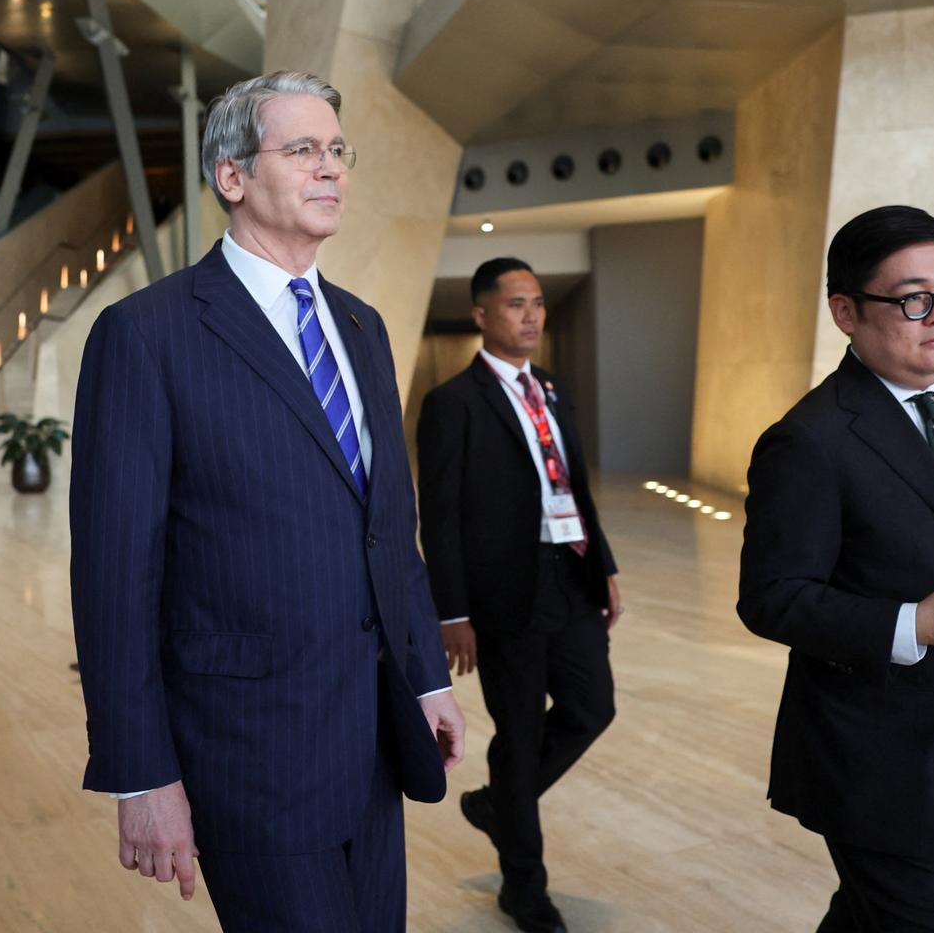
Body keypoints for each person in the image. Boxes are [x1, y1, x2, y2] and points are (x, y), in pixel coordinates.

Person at [69, 71, 466, 933]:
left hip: (371, 737)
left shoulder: (361, 326)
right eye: (303, 150)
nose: (331, 168)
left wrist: (427, 676)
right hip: (246, 751)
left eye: (338, 151)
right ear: (233, 175)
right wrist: (141, 774)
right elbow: (113, 578)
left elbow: (387, 526)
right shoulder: (146, 333)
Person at [738, 205, 934, 931]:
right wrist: (915, 625)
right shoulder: (809, 441)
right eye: (912, 299)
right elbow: (772, 596)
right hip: (886, 763)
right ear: (845, 312)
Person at [416, 258, 621, 933]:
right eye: (515, 304)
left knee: (592, 707)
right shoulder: (453, 403)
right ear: (482, 314)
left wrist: (604, 567)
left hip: (570, 574)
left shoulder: (552, 388)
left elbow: (576, 487)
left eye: (537, 303)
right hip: (504, 594)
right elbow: (440, 516)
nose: (531, 316)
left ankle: (499, 803)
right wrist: (452, 612)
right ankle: (523, 888)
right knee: (521, 732)